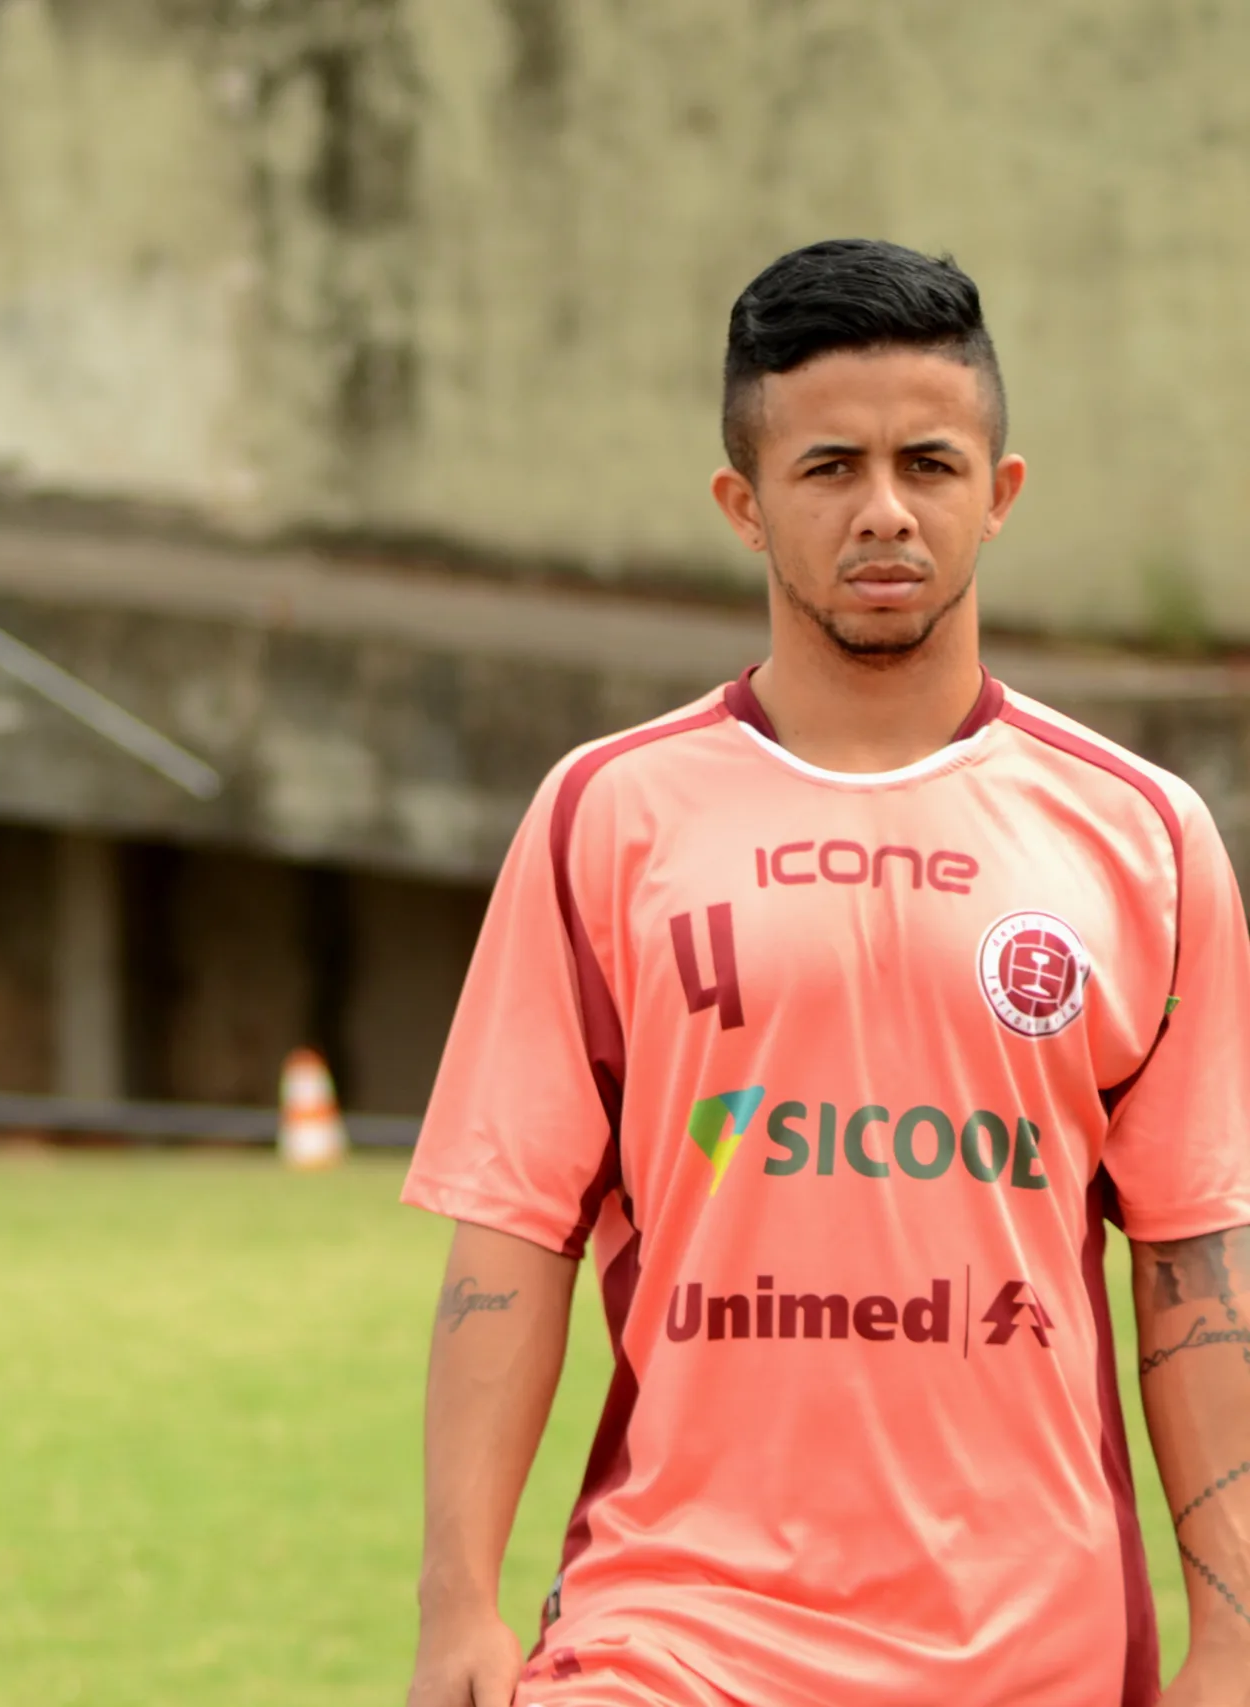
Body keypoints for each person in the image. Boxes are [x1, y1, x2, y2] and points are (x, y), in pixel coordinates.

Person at [402, 239, 1250, 1707]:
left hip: (1028, 1645)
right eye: (828, 468)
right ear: (744, 506)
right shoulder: (609, 811)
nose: (884, 512)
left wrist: (1233, 1635)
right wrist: (456, 1602)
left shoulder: (1143, 835)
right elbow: (511, 1230)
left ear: (1001, 492)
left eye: (929, 463)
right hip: (670, 1629)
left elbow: (1196, 1264)